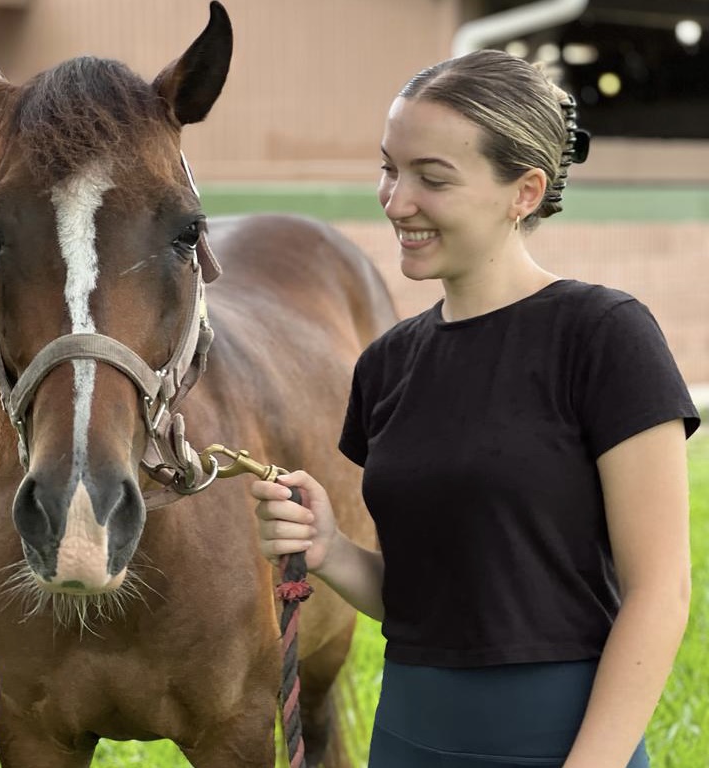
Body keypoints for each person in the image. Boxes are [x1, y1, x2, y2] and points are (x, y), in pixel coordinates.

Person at [251, 49, 701, 768]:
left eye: (432, 178)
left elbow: (661, 593)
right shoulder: (386, 366)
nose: (397, 201)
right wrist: (329, 550)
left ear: (524, 191)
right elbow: (430, 605)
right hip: (408, 739)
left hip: (560, 743)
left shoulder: (605, 337)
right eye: (390, 169)